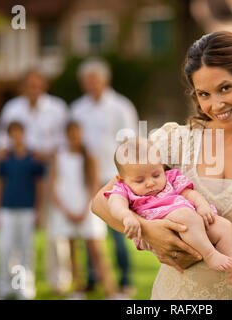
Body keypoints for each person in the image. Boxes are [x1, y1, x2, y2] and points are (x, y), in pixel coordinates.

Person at [91, 31, 232, 299]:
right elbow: (101, 202)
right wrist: (152, 233)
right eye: (204, 93)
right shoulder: (173, 141)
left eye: (225, 88)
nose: (216, 104)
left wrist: (204, 251)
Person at [104, 137, 232, 286]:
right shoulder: (122, 188)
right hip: (162, 224)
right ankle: (210, 254)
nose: (150, 183)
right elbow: (115, 204)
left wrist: (202, 205)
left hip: (192, 224)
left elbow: (189, 194)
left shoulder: (170, 178)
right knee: (186, 216)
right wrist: (127, 217)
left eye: (156, 175)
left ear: (162, 167)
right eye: (140, 180)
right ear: (122, 178)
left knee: (224, 226)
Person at [0, 70, 70, 295]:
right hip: (22, 175)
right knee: (18, 232)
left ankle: (59, 281)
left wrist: (42, 153)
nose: (33, 89)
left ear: (44, 85)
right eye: (29, 85)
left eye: (37, 85)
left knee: (55, 231)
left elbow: (65, 141)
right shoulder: (12, 108)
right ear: (22, 87)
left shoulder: (58, 108)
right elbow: (1, 140)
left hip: (52, 174)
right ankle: (16, 284)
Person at [70, 58, 139, 296]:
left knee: (118, 232)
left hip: (114, 178)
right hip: (86, 180)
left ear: (104, 80)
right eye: (86, 81)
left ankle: (125, 279)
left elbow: (130, 144)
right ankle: (91, 278)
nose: (90, 85)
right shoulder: (77, 109)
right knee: (90, 232)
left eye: (94, 80)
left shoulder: (121, 107)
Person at [48, 121, 117, 299]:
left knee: (96, 250)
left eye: (77, 133)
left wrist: (84, 209)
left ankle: (110, 290)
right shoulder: (59, 156)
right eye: (71, 133)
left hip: (87, 209)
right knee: (71, 250)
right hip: (67, 210)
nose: (74, 137)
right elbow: (54, 184)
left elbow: (95, 185)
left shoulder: (90, 157)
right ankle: (77, 289)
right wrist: (66, 210)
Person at [0, 121, 45, 299]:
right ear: (9, 136)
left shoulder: (33, 159)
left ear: (24, 134)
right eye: (12, 133)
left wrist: (39, 210)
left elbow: (39, 186)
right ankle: (3, 287)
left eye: (19, 132)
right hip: (7, 209)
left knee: (26, 249)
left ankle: (24, 287)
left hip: (27, 209)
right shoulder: (5, 159)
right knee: (5, 249)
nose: (16, 136)